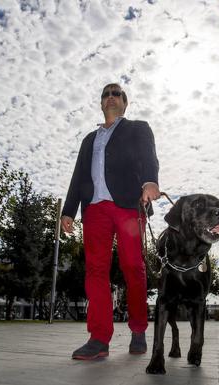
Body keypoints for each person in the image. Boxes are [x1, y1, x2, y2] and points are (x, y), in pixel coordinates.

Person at [61, 83, 160, 360]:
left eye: (116, 93)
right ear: (101, 103)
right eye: (106, 94)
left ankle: (138, 330)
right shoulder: (89, 140)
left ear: (124, 103)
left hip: (129, 204)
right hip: (94, 209)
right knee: (95, 271)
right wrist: (68, 210)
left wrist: (150, 181)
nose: (110, 97)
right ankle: (99, 338)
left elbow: (148, 157)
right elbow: (78, 175)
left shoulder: (138, 128)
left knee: (133, 266)